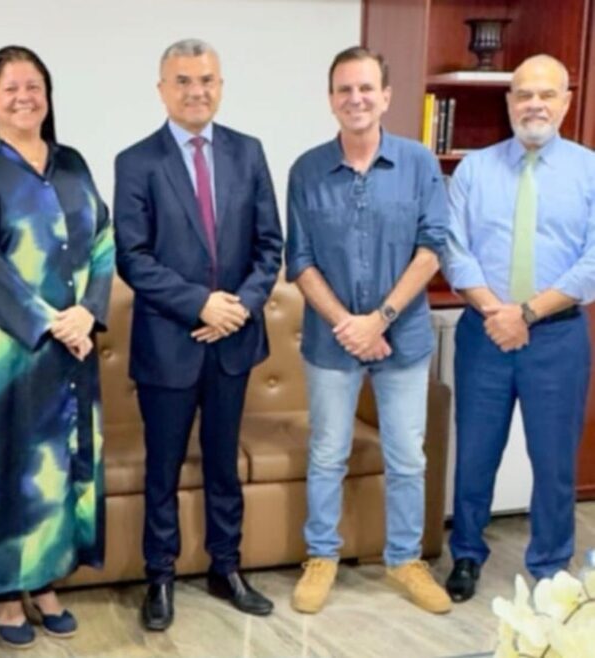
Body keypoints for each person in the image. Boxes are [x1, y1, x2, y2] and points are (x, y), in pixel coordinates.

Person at [0, 45, 114, 648]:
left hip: (69, 351)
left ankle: (46, 584)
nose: (24, 97)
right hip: (1, 354)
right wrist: (49, 320)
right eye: (10, 87)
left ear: (48, 95)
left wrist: (87, 314)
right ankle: (8, 596)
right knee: (7, 471)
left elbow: (103, 243)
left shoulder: (71, 163)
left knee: (60, 468)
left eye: (34, 86)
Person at [114, 38, 282, 631]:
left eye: (206, 79)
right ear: (162, 89)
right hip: (169, 344)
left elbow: (270, 246)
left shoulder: (248, 152)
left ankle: (226, 567)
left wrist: (240, 308)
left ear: (221, 84)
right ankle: (159, 576)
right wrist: (201, 305)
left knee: (222, 463)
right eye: (183, 80)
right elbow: (132, 259)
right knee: (162, 469)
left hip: (233, 339)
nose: (196, 91)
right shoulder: (136, 162)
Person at [285, 46, 450, 615]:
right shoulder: (306, 169)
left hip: (401, 340)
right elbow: (299, 261)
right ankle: (322, 556)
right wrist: (347, 325)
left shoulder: (419, 162)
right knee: (327, 452)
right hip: (330, 343)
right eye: (343, 90)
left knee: (408, 456)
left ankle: (405, 560)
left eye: (365, 89)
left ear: (386, 96)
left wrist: (378, 320)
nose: (355, 99)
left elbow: (432, 249)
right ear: (331, 99)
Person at [443, 54, 595, 602]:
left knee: (555, 459)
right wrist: (497, 314)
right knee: (475, 452)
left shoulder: (590, 171)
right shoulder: (474, 170)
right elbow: (454, 250)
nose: (534, 104)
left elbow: (592, 262)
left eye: (546, 94)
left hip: (556, 336)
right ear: (509, 103)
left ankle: (552, 565)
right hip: (485, 333)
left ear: (565, 102)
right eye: (524, 94)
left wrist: (526, 313)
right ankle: (465, 553)